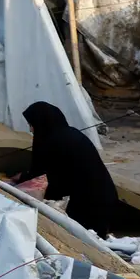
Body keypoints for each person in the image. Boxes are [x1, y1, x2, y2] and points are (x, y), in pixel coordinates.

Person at [17, 101, 118, 237]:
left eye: (31, 125)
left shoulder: (54, 143)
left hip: (89, 205)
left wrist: (20, 181)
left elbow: (45, 179)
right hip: (105, 198)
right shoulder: (69, 134)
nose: (31, 130)